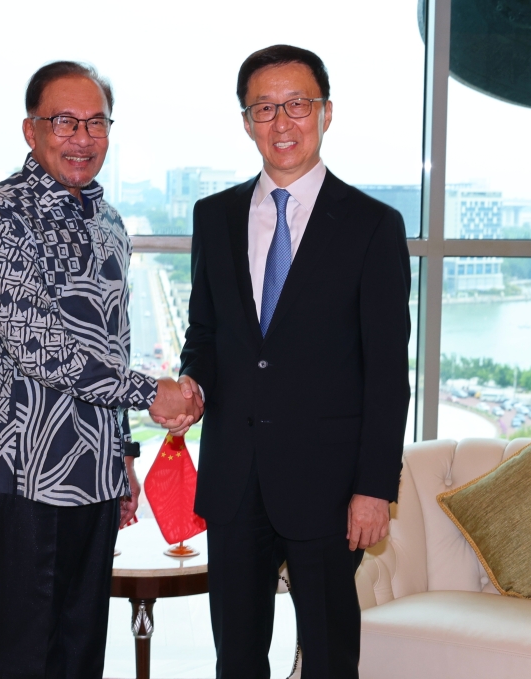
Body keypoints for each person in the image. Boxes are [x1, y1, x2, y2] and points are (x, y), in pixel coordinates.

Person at [172, 45, 411, 678]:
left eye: (298, 104)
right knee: (238, 658)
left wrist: (373, 488)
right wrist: (192, 385)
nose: (283, 122)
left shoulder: (372, 225)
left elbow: (388, 373)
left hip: (331, 490)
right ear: (246, 121)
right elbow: (206, 335)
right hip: (233, 481)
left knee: (331, 658)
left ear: (326, 113)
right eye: (265, 107)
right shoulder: (214, 217)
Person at [0, 60, 200, 679]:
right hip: (25, 472)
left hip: (93, 472)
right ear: (30, 130)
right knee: (26, 647)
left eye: (96, 122)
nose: (82, 137)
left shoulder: (110, 223)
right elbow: (37, 347)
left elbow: (111, 345)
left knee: (81, 645)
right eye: (64, 121)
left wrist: (120, 452)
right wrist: (153, 392)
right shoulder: (2, 215)